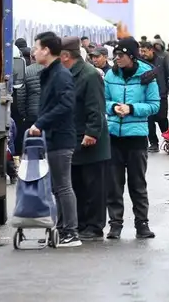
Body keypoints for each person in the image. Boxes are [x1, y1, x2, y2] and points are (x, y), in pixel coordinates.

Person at [104, 37, 160, 239]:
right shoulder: (111, 74)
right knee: (114, 184)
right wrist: (112, 107)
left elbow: (155, 105)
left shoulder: (147, 76)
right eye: (115, 55)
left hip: (136, 137)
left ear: (131, 56)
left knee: (137, 184)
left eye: (120, 55)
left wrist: (132, 109)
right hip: (114, 136)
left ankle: (142, 223)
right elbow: (103, 100)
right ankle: (115, 224)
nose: (117, 59)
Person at [28, 31, 80, 247]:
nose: (33, 51)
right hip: (52, 137)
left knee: (63, 186)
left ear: (47, 50)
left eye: (37, 47)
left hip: (61, 137)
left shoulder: (61, 74)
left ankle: (71, 232)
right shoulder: (50, 73)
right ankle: (60, 228)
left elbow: (66, 105)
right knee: (57, 187)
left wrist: (41, 123)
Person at [60, 37, 110, 241]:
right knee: (76, 183)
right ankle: (79, 223)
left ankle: (95, 226)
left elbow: (96, 107)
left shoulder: (89, 74)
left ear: (66, 56)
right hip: (73, 136)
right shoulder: (66, 73)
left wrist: (92, 133)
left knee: (93, 185)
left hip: (90, 138)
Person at [141, 41, 169, 153]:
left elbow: (168, 74)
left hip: (161, 94)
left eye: (144, 51)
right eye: (141, 51)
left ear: (151, 50)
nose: (142, 53)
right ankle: (153, 143)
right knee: (149, 120)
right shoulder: (141, 62)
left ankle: (167, 139)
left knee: (162, 118)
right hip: (146, 96)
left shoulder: (161, 60)